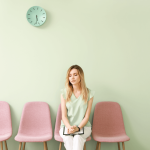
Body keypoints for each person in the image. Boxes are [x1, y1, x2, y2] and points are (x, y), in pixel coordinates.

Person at [59, 65, 95, 150]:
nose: (72, 78)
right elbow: (64, 116)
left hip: (84, 127)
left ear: (80, 76)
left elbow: (86, 116)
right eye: (70, 75)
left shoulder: (89, 93)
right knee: (68, 138)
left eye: (75, 75)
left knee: (78, 138)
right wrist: (69, 128)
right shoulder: (64, 93)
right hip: (66, 127)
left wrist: (78, 128)